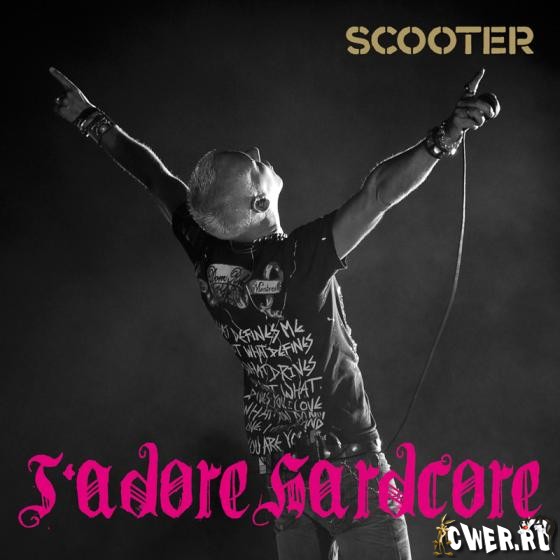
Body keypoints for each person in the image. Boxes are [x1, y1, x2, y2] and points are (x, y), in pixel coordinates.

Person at [49, 66, 498, 559]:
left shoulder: (206, 250)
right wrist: (446, 136)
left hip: (285, 481)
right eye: (255, 164)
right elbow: (378, 193)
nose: (260, 154)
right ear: (261, 200)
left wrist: (90, 119)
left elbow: (157, 179)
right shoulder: (300, 260)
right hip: (348, 475)